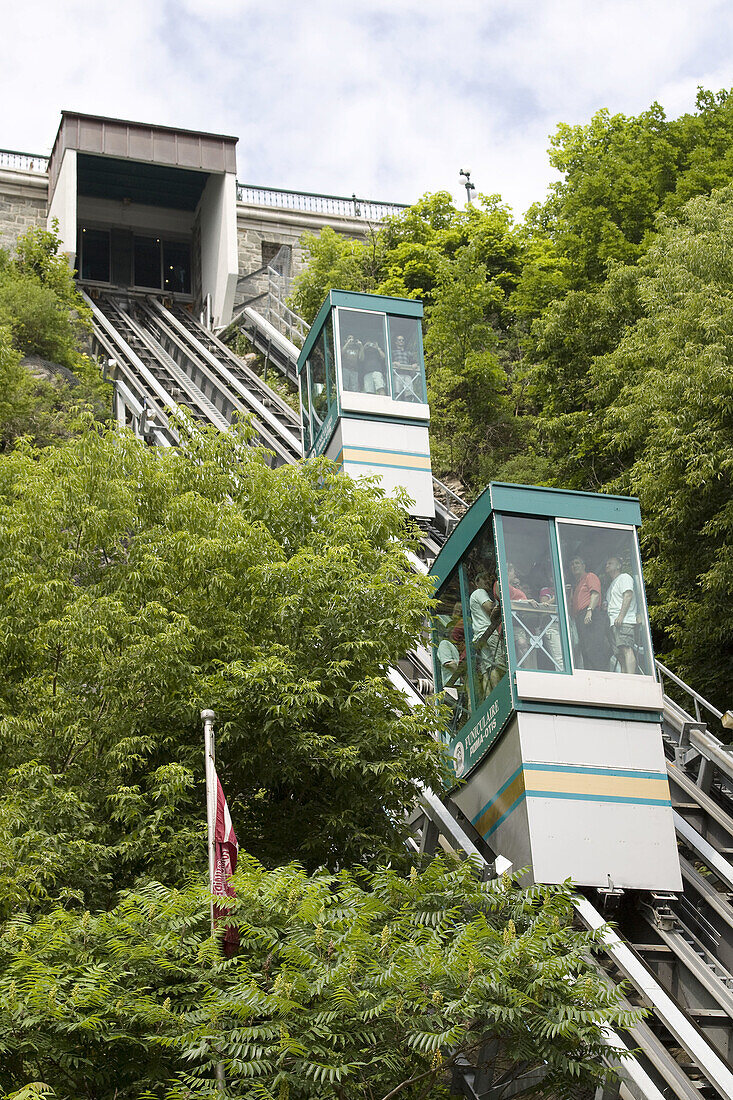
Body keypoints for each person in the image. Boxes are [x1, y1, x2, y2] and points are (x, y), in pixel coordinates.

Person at [568, 555, 610, 670]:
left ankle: (602, 674)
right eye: (572, 564)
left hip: (591, 615)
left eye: (577, 563)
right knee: (585, 649)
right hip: (580, 618)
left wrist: (590, 611)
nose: (574, 566)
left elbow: (595, 594)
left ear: (583, 565)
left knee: (594, 647)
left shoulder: (590, 576)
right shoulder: (576, 585)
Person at [605, 556, 638, 674]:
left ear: (618, 566)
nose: (607, 565)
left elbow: (628, 595)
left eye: (610, 563)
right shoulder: (611, 586)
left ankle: (631, 677)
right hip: (614, 622)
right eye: (606, 564)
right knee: (619, 654)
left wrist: (621, 616)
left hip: (624, 621)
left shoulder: (624, 577)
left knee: (626, 648)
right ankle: (625, 678)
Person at [538, 585, 563, 671]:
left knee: (571, 656)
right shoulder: (546, 590)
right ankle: (564, 679)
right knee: (559, 657)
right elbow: (543, 607)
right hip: (551, 626)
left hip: (565, 625)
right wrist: (555, 598)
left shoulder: (564, 588)